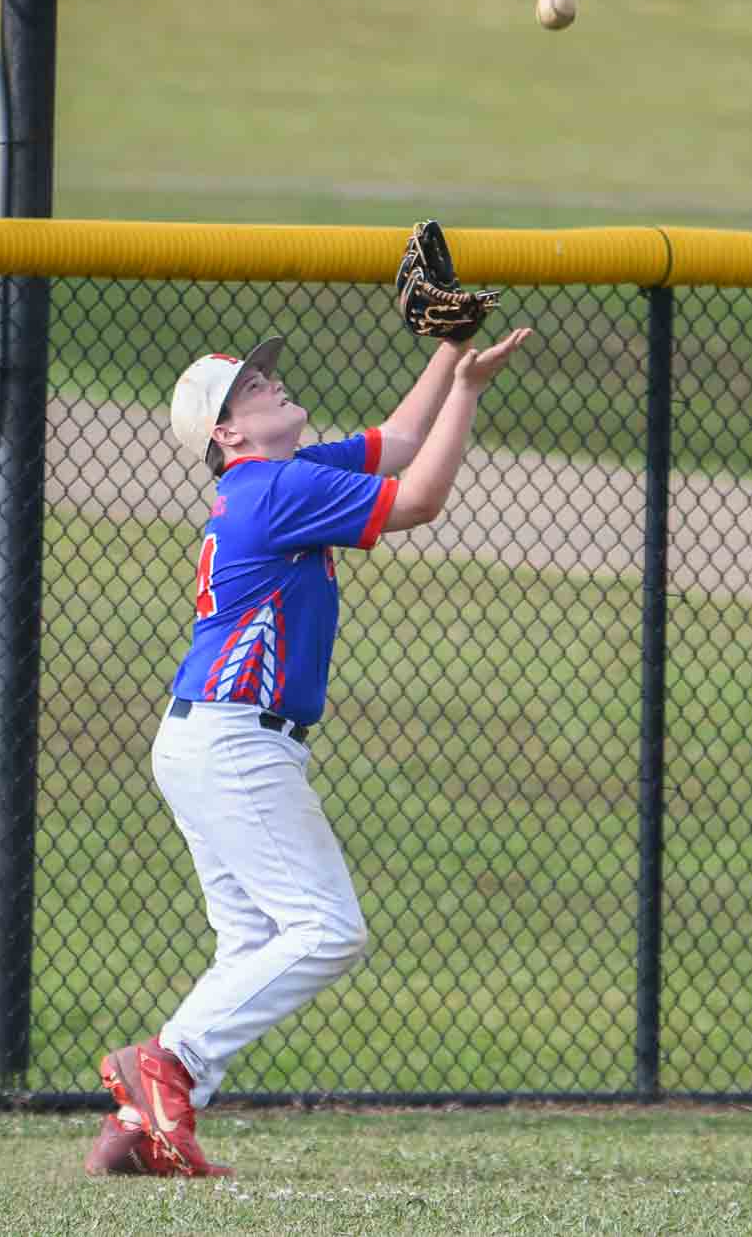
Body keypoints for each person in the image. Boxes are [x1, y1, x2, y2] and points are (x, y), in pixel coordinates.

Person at [84, 324, 532, 1178]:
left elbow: (397, 443)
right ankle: (165, 1066)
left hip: (204, 735)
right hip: (233, 736)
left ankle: (140, 1128)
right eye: (251, 384)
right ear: (228, 432)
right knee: (328, 929)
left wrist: (451, 349)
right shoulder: (274, 490)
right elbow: (419, 497)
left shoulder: (275, 480)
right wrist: (471, 394)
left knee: (251, 939)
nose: (271, 381)